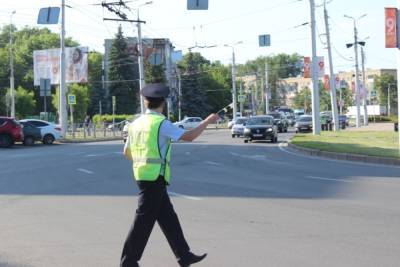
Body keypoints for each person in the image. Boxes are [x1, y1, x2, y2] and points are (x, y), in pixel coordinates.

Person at [121, 83, 219, 267]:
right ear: (162, 104)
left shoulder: (135, 124)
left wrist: (141, 163)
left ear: (145, 101)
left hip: (143, 176)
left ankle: (184, 255)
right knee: (142, 221)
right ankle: (128, 262)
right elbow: (189, 137)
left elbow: (126, 151)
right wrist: (207, 121)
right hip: (155, 178)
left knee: (168, 217)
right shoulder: (161, 124)